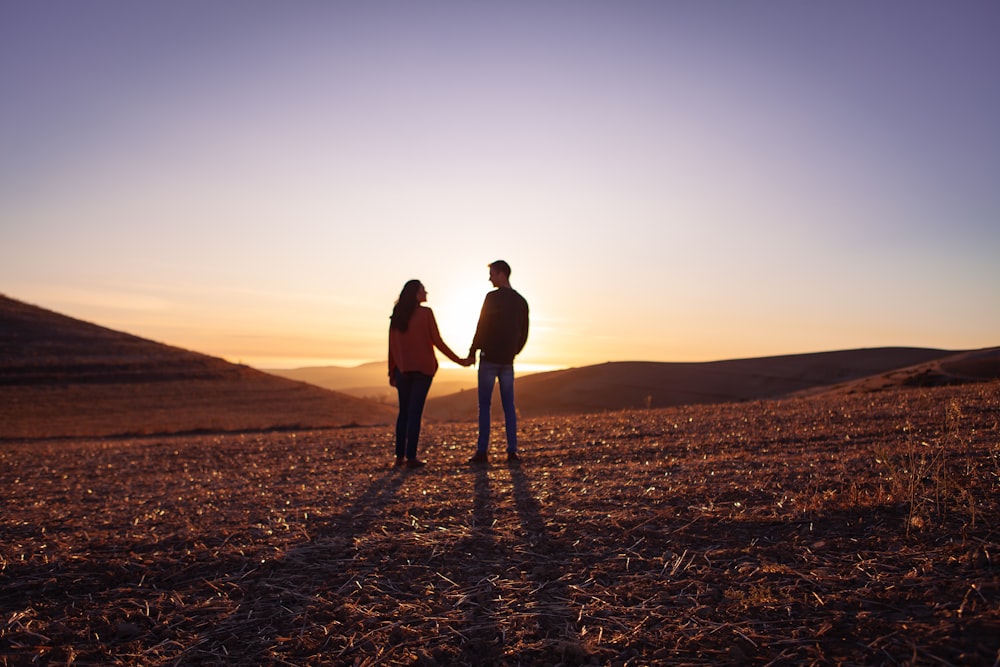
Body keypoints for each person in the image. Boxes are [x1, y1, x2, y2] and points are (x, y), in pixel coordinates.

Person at [388, 280, 471, 468]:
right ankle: (411, 458)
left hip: (402, 371)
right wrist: (461, 361)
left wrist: (391, 371)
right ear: (416, 294)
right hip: (423, 371)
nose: (426, 291)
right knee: (415, 414)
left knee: (404, 413)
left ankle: (399, 457)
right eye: (423, 289)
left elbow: (391, 347)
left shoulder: (397, 315)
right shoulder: (426, 313)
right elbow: (438, 342)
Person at [465, 260, 529, 464]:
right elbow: (524, 332)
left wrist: (472, 352)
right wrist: (513, 352)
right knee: (509, 405)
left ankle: (482, 452)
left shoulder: (491, 298)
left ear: (502, 274)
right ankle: (512, 451)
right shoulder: (521, 301)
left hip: (489, 359)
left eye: (492, 273)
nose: (489, 278)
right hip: (507, 361)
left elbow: (481, 326)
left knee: (485, 405)